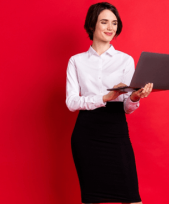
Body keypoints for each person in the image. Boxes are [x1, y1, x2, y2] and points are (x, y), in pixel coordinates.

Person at [65, 2, 153, 204]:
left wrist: (135, 97)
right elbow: (71, 102)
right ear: (91, 25)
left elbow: (127, 108)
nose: (110, 28)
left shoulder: (125, 60)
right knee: (92, 198)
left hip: (116, 130)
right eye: (104, 22)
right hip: (86, 134)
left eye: (114, 23)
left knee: (132, 198)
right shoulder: (76, 61)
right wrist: (104, 97)